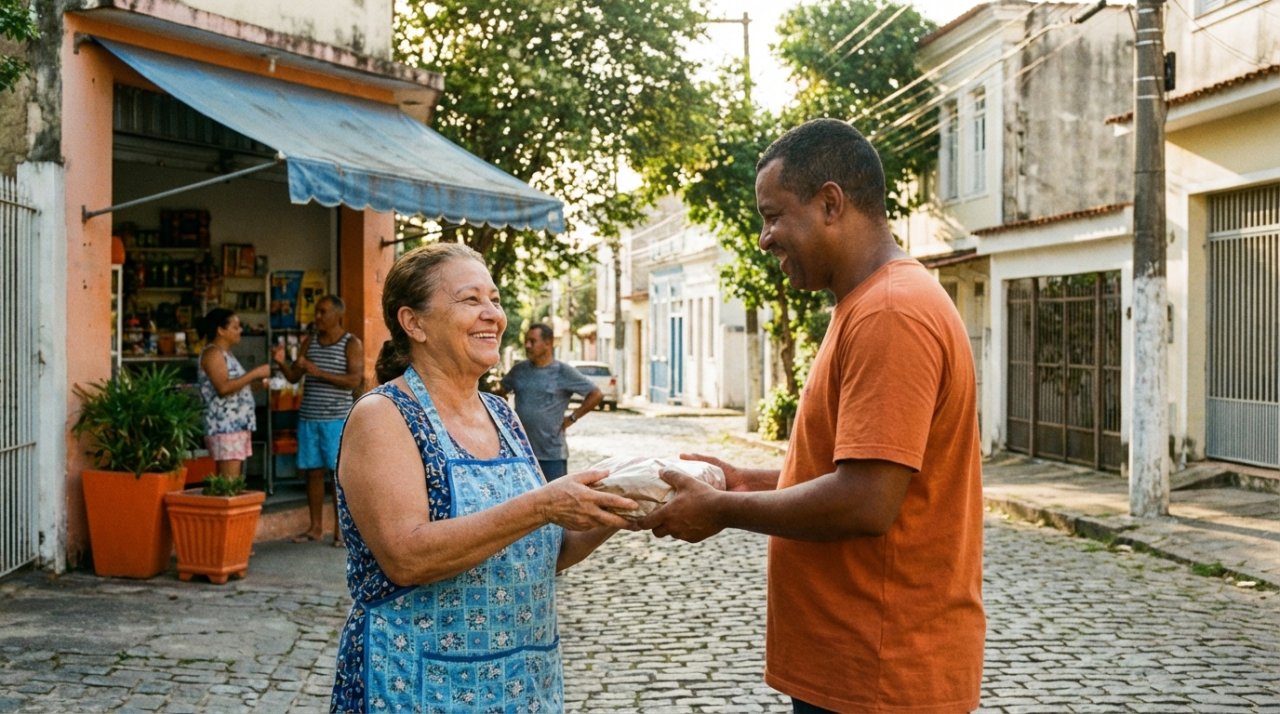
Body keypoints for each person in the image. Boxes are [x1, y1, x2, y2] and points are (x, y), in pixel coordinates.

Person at [638, 119, 986, 713]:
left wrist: (722, 509)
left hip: (881, 674)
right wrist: (749, 480)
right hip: (856, 666)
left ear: (831, 203)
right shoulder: (866, 304)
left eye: (773, 216)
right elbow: (861, 471)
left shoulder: (891, 312)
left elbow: (867, 501)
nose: (764, 238)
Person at [330, 242, 637, 713]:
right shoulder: (384, 415)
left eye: (494, 299)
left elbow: (539, 554)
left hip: (521, 686)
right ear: (413, 323)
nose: (492, 313)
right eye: (471, 300)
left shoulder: (499, 413)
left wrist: (624, 505)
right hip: (415, 685)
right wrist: (543, 504)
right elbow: (405, 556)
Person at [273, 295, 364, 547]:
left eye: (323, 312)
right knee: (312, 474)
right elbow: (293, 377)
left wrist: (318, 372)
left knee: (338, 476)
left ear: (338, 315)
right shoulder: (309, 342)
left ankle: (341, 531)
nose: (318, 317)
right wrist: (281, 363)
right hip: (309, 418)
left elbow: (354, 380)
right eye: (317, 312)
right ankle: (315, 528)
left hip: (336, 419)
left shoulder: (351, 343)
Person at [498, 324, 602, 480]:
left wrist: (572, 418)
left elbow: (596, 394)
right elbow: (499, 392)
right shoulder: (519, 370)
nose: (527, 346)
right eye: (526, 341)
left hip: (551, 455)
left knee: (556, 501)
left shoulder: (563, 371)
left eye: (533, 341)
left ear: (548, 343)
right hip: (520, 452)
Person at [197, 308, 272, 479]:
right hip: (225, 427)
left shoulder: (225, 354)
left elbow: (234, 386)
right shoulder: (213, 354)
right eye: (235, 327)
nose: (240, 331)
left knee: (233, 480)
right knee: (229, 483)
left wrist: (256, 385)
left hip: (235, 426)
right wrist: (255, 373)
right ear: (221, 330)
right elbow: (223, 388)